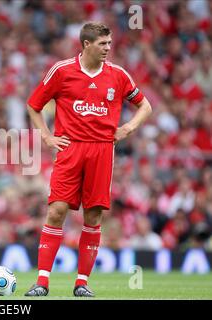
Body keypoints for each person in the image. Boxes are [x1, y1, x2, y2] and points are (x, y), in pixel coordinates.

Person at [24, 22, 152, 297]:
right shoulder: (62, 71)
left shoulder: (118, 75)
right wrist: (47, 137)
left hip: (102, 150)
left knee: (93, 215)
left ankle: (82, 283)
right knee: (56, 211)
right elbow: (33, 105)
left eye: (109, 43)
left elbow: (145, 105)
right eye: (102, 44)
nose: (108, 48)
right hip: (70, 149)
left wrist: (128, 128)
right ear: (86, 44)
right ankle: (42, 282)